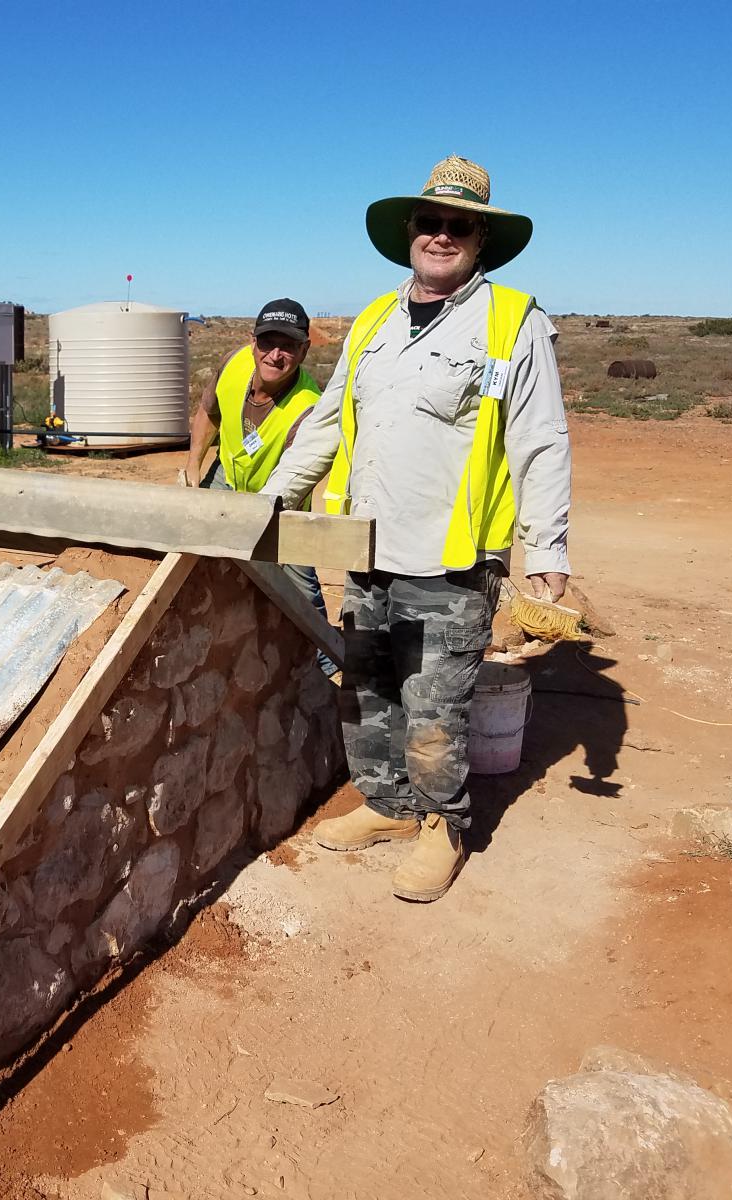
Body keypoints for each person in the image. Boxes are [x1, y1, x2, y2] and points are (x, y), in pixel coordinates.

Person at [263, 156, 571, 902]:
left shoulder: (513, 323)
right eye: (430, 221)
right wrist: (269, 500)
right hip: (366, 548)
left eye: (459, 225)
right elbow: (328, 419)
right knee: (369, 690)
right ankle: (388, 805)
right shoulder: (373, 319)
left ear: (481, 239)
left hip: (450, 557)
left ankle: (442, 825)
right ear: (410, 231)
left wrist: (547, 548)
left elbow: (540, 440)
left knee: (435, 706)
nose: (442, 235)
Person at [184, 298, 338, 675]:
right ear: (252, 342)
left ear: (304, 350)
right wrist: (193, 463)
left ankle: (325, 664)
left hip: (281, 501)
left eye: (288, 346)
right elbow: (209, 412)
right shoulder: (234, 364)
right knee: (197, 549)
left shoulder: (308, 409)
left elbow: (293, 480)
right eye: (268, 342)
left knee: (298, 585)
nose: (275, 355)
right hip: (228, 476)